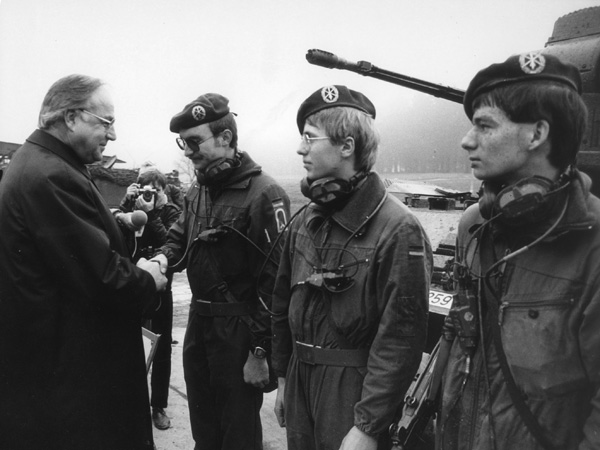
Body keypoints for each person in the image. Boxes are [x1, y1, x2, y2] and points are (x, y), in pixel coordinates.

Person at [436, 52, 600, 449]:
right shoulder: (474, 225)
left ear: (536, 134)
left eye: (484, 125)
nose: (466, 140)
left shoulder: (592, 244)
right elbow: (458, 339)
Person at [0, 74, 167, 450]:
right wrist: (148, 278)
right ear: (71, 117)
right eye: (107, 122)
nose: (113, 136)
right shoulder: (52, 176)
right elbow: (103, 279)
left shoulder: (39, 165)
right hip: (72, 383)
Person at [271, 85, 433, 450]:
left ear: (347, 146)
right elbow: (281, 302)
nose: (300, 149)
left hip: (351, 392)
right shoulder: (305, 221)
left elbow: (400, 340)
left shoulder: (397, 227)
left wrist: (368, 426)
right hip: (300, 380)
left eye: (310, 139)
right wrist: (283, 379)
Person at [151, 93, 291, 450]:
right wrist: (162, 259)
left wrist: (259, 352)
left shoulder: (264, 193)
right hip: (200, 324)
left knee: (238, 433)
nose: (187, 152)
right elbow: (180, 235)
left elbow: (274, 283)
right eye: (183, 143)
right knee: (204, 429)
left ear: (225, 139)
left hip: (238, 333)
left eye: (194, 142)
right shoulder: (199, 186)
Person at [117, 168, 181, 430]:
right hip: (133, 286)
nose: (150, 194)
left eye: (156, 190)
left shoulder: (172, 212)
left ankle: (159, 406)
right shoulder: (132, 208)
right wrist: (125, 205)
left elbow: (173, 245)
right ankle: (133, 403)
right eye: (145, 189)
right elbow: (115, 238)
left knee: (162, 349)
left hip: (160, 290)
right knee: (130, 346)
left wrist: (153, 213)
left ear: (164, 190)